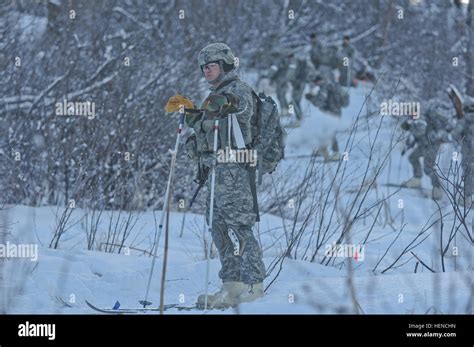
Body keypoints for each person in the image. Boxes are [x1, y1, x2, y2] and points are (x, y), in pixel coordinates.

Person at [184, 43, 266, 309]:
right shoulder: (215, 95)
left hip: (236, 172)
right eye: (205, 67)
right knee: (218, 228)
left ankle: (254, 284)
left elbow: (231, 108)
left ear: (227, 65)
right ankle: (232, 285)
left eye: (213, 66)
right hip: (216, 173)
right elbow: (209, 135)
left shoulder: (238, 90)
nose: (208, 71)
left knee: (239, 226)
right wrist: (194, 127)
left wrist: (200, 116)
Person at [400, 100, 451, 200]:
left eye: (410, 111)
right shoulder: (418, 118)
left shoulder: (421, 118)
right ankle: (417, 179)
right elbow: (416, 135)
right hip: (425, 145)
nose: (409, 114)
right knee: (413, 157)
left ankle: (437, 189)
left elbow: (421, 131)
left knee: (428, 168)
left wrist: (410, 127)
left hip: (431, 146)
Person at [451, 95, 473, 207]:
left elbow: (454, 135)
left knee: (469, 174)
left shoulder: (464, 121)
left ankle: (467, 200)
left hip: (469, 153)